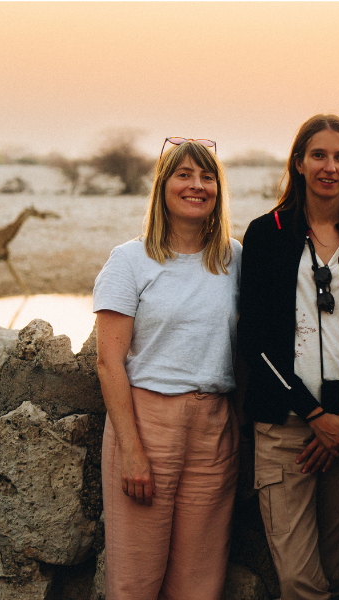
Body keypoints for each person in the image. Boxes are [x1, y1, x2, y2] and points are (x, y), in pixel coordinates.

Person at [237, 114, 339, 600]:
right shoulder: (268, 233)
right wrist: (314, 415)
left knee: (337, 577)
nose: (330, 166)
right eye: (319, 155)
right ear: (299, 162)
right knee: (300, 582)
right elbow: (257, 340)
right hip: (287, 428)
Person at [94, 137, 240, 599]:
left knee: (200, 581)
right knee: (135, 578)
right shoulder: (130, 261)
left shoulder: (235, 258)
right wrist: (133, 451)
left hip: (214, 427)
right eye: (184, 175)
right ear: (163, 186)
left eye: (207, 176)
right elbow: (108, 362)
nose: (197, 186)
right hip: (147, 424)